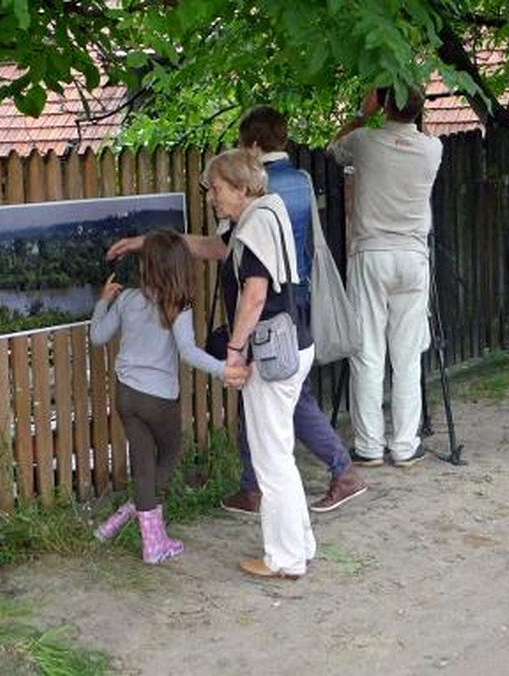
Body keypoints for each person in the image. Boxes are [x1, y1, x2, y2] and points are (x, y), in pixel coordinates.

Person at [108, 149, 316, 579]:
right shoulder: (259, 215)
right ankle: (300, 544)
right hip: (291, 344)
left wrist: (235, 351)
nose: (211, 198)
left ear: (242, 188)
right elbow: (208, 247)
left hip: (270, 353)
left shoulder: (255, 225)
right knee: (279, 453)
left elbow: (255, 296)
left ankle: (285, 558)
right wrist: (147, 242)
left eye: (217, 189)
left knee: (270, 461)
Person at [217, 105, 367, 515]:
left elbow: (232, 254)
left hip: (268, 303)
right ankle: (252, 487)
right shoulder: (300, 179)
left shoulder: (258, 191)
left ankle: (340, 471)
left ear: (250, 144)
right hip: (300, 296)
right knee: (279, 393)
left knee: (286, 397)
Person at [89, 228, 242, 563]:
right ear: (178, 266)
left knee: (142, 464)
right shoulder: (178, 304)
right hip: (158, 399)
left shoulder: (127, 298)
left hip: (126, 394)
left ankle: (147, 538)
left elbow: (98, 337)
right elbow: (187, 352)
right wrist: (223, 369)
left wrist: (103, 302)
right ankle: (138, 516)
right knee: (169, 453)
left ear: (148, 265)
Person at [328, 86, 443, 467]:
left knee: (368, 353)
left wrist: (363, 113)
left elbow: (333, 149)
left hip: (372, 253)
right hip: (413, 255)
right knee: (408, 356)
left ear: (384, 104)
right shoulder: (433, 149)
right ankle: (406, 446)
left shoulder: (364, 141)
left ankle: (369, 445)